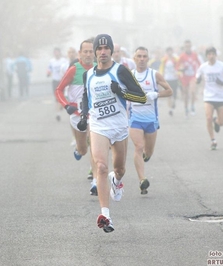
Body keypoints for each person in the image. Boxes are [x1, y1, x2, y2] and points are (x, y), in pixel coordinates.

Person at [78, 34, 147, 233]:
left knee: (119, 169)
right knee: (100, 166)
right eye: (98, 49)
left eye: (105, 48)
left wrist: (122, 93)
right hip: (98, 126)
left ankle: (117, 182)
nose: (101, 52)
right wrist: (84, 116)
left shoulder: (120, 71)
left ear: (111, 50)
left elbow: (141, 97)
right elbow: (85, 96)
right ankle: (105, 215)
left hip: (118, 127)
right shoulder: (88, 74)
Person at [55, 38, 98, 195]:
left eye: (91, 51)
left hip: (95, 115)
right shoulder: (74, 69)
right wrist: (67, 105)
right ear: (80, 53)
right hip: (77, 116)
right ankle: (78, 150)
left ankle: (95, 181)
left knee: (95, 147)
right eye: (85, 51)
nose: (88, 54)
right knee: (84, 149)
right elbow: (59, 90)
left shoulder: (99, 68)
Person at [130, 46, 173, 194]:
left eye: (144, 56)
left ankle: (145, 158)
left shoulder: (155, 75)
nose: (141, 59)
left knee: (148, 152)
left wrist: (156, 94)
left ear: (148, 59)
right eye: (139, 56)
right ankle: (142, 179)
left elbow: (169, 91)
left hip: (151, 120)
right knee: (138, 147)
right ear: (134, 58)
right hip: (134, 118)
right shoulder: (129, 75)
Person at [196, 47, 223, 150]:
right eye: (209, 54)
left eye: (213, 54)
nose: (211, 56)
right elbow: (198, 77)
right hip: (208, 96)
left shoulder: (222, 66)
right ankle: (213, 140)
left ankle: (216, 121)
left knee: (222, 122)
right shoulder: (203, 67)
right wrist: (198, 80)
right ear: (206, 56)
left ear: (216, 55)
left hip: (221, 97)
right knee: (208, 117)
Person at [177, 40, 201, 116]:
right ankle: (186, 108)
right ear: (184, 47)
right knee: (186, 95)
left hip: (192, 76)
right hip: (184, 77)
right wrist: (181, 69)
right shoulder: (182, 56)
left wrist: (199, 73)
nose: (188, 48)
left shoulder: (194, 55)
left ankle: (192, 106)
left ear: (191, 46)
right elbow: (177, 66)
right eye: (186, 46)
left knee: (192, 91)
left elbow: (199, 64)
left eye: (189, 46)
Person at [47, 47, 68, 121]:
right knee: (57, 97)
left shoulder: (64, 61)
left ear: (60, 53)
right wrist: (48, 73)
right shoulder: (51, 61)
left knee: (62, 97)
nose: (56, 54)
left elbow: (68, 70)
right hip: (55, 81)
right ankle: (59, 111)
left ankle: (59, 110)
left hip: (62, 81)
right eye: (55, 52)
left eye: (57, 52)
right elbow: (49, 69)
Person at [160, 47, 179, 116]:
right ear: (167, 52)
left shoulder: (176, 59)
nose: (169, 53)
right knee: (168, 94)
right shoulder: (164, 60)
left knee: (174, 94)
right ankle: (170, 109)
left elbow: (179, 66)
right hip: (167, 79)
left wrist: (178, 73)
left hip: (174, 78)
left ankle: (174, 102)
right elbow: (162, 68)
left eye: (171, 51)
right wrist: (161, 77)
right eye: (168, 51)